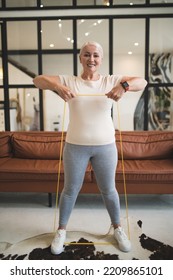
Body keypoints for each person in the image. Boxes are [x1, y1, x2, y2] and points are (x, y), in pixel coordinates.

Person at [33, 41, 147, 255]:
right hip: (75, 146)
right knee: (69, 191)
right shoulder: (69, 81)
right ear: (80, 58)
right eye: (87, 55)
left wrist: (123, 86)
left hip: (106, 147)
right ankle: (61, 231)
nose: (91, 59)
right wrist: (56, 86)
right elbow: (37, 80)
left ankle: (118, 228)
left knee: (109, 190)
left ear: (101, 59)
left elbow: (143, 82)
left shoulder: (111, 81)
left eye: (95, 55)